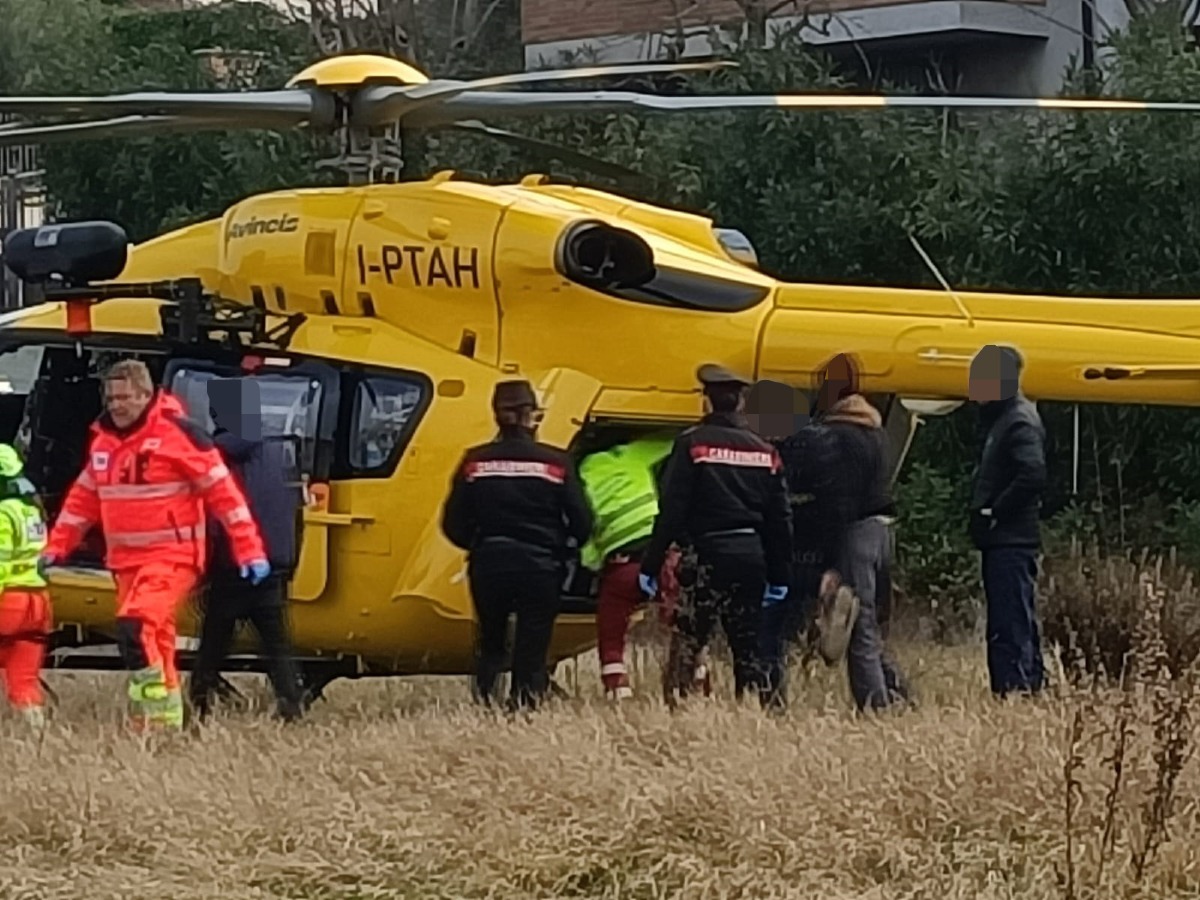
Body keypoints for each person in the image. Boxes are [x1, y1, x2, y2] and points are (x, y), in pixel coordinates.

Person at [40, 359, 269, 731]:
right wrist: (57, 548)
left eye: (124, 397)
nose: (116, 405)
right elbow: (83, 501)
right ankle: (165, 718)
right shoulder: (104, 441)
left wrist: (249, 549)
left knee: (137, 624)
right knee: (156, 636)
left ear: (146, 395)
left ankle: (151, 711)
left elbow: (225, 497)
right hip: (126, 561)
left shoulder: (181, 436)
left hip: (171, 557)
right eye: (111, 397)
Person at [639, 364, 792, 701]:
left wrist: (651, 565)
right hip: (750, 557)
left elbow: (672, 509)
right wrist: (779, 575)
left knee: (690, 642)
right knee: (748, 647)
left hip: (705, 556)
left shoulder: (692, 445)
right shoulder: (766, 452)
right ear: (740, 403)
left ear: (706, 401)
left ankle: (679, 708)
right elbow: (780, 520)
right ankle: (751, 712)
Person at [441, 380, 594, 712]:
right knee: (532, 643)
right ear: (531, 416)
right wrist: (565, 548)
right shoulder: (556, 462)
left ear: (496, 416)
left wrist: (479, 545)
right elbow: (582, 521)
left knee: (491, 639)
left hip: (489, 563)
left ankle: (485, 702)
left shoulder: (474, 462)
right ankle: (524, 706)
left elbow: (451, 523)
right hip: (540, 565)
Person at [189, 378, 305, 723]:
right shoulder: (273, 450)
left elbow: (215, 513)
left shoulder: (220, 454)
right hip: (275, 562)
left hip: (236, 563)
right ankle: (291, 706)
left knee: (213, 643)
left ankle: (198, 705)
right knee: (276, 644)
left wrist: (202, 565)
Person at [817, 389, 907, 712]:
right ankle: (897, 694)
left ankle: (874, 706)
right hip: (883, 531)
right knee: (875, 622)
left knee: (857, 621)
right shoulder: (878, 436)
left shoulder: (837, 439)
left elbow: (839, 499)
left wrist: (828, 558)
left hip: (856, 534)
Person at [968, 344, 1048, 698]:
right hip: (1008, 538)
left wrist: (994, 511)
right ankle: (1023, 685)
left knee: (1010, 620)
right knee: (1015, 615)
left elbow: (1032, 473)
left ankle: (1016, 689)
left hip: (1010, 538)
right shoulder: (1010, 417)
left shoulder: (1017, 419)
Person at [577, 433, 679, 700]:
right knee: (683, 624)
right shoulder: (630, 454)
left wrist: (595, 564)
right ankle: (694, 682)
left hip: (621, 565)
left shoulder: (581, 475)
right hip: (658, 557)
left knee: (611, 631)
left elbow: (585, 528)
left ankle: (617, 689)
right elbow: (670, 443)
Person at [0, 444, 52, 729]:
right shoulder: (31, 510)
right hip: (37, 604)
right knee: (24, 681)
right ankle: (36, 738)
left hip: (8, 601)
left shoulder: (2, 514)